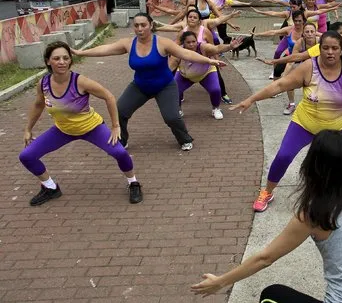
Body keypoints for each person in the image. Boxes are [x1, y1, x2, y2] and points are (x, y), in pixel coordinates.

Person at [191, 49, 342, 303]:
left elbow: (265, 258)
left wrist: (221, 281)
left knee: (271, 296)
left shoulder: (313, 213)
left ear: (311, 167)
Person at [231, 31, 342, 212]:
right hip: (305, 123)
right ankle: (267, 191)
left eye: (334, 48)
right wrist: (251, 99)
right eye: (325, 48)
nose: (330, 52)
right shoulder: (309, 67)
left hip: (339, 123)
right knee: (283, 156)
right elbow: (280, 85)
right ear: (318, 49)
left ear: (341, 50)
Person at [72, 13, 222, 151]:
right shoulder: (128, 43)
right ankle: (122, 140)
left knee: (172, 117)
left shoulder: (162, 43)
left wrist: (209, 60)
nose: (140, 28)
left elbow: (186, 53)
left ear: (150, 25)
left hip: (164, 86)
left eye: (143, 25)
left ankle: (185, 139)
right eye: (136, 25)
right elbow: (105, 49)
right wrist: (81, 52)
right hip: (140, 86)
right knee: (121, 110)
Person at [19, 41, 143, 206]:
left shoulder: (80, 81)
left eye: (65, 58)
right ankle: (50, 188)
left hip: (92, 128)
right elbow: (38, 105)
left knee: (120, 153)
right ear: (48, 61)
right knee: (26, 156)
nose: (62, 62)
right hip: (63, 130)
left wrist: (115, 126)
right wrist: (28, 129)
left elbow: (109, 97)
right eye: (56, 58)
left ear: (70, 60)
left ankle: (133, 183)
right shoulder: (44, 83)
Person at [175, 31, 242, 120]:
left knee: (215, 90)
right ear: (183, 43)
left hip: (206, 73)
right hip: (185, 75)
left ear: (197, 41)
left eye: (193, 41)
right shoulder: (178, 50)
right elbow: (170, 65)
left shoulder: (203, 47)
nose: (191, 44)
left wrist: (229, 46)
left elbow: (217, 48)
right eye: (188, 42)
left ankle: (216, 108)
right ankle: (178, 109)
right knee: (174, 89)